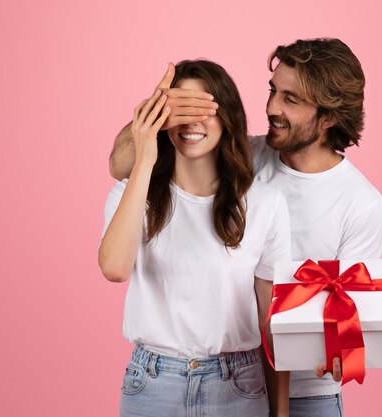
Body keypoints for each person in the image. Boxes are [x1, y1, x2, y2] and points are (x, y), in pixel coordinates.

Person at [109, 38, 382, 417]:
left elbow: (351, 311)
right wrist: (155, 113)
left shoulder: (361, 203)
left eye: (291, 99)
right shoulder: (244, 158)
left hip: (313, 389)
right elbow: (120, 164)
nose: (272, 107)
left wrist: (343, 348)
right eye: (273, 91)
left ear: (330, 116)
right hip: (244, 382)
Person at [99, 59, 291, 417]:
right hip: (153, 385)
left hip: (238, 387)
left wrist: (281, 413)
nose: (190, 122)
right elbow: (113, 268)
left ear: (228, 117)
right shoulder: (132, 194)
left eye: (203, 109)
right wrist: (144, 158)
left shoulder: (265, 203)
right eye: (179, 111)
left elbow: (271, 319)